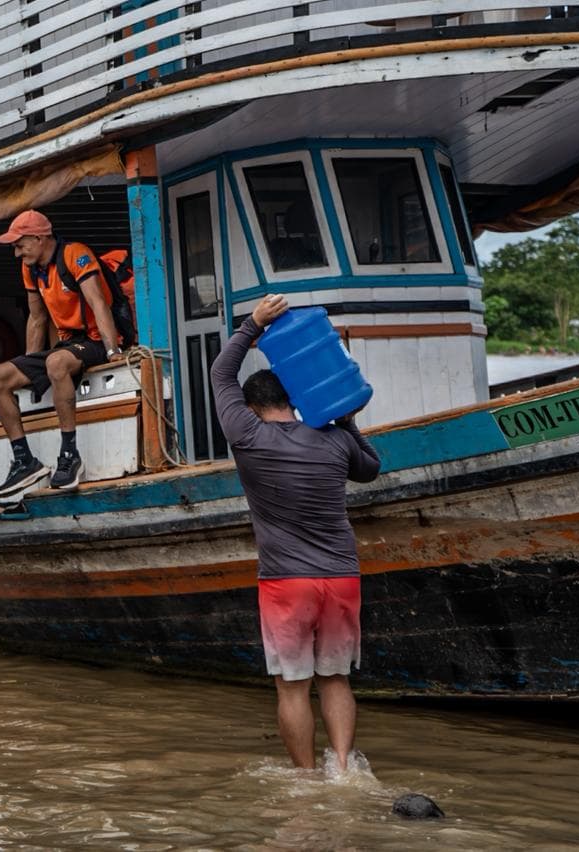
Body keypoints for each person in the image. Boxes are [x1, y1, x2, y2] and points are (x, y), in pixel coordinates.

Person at [210, 293, 381, 771]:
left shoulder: (248, 436)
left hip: (287, 582)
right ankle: (342, 769)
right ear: (292, 399)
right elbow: (370, 469)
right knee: (335, 680)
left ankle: (306, 779)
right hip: (342, 578)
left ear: (252, 407)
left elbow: (221, 374)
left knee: (292, 687)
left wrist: (252, 325)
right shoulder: (333, 439)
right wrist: (346, 422)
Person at [0, 209, 126, 500]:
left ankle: (69, 455)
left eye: (20, 245)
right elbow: (37, 318)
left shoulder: (76, 254)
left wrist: (113, 351)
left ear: (39, 238)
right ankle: (24, 460)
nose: (16, 253)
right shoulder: (30, 268)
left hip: (95, 340)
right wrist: (28, 367)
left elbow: (98, 303)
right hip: (68, 344)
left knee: (56, 361)